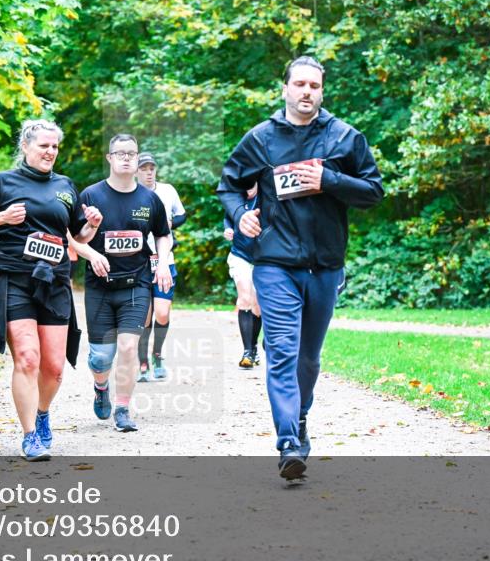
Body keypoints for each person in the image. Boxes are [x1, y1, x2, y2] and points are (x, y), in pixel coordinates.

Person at [217, 56, 383, 479]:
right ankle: (288, 440)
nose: (307, 91)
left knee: (308, 358)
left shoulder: (345, 137)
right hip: (275, 265)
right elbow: (229, 184)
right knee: (283, 354)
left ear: (321, 91)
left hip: (326, 265)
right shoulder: (261, 138)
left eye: (314, 85)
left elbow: (374, 191)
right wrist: (240, 216)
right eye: (300, 84)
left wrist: (328, 181)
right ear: (286, 89)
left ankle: (300, 416)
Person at [0, 119, 103, 461]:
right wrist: (1, 218)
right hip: (13, 278)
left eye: (55, 147)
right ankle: (29, 437)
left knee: (53, 367)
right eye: (43, 146)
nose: (50, 152)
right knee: (27, 357)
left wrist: (91, 228)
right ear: (26, 147)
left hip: (53, 281)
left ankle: (42, 413)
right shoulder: (3, 183)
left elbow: (76, 238)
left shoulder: (66, 186)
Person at [69, 135, 173, 432]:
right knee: (101, 357)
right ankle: (101, 387)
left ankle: (123, 408)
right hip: (100, 287)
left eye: (132, 154)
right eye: (120, 153)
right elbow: (75, 240)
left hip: (136, 283)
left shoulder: (149, 199)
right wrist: (91, 240)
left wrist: (162, 262)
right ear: (110, 158)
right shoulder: (90, 195)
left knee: (128, 347)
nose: (127, 158)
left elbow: (163, 234)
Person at [135, 152, 187, 382]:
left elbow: (182, 215)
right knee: (144, 318)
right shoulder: (131, 193)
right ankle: (143, 362)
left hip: (165, 260)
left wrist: (170, 224)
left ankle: (157, 355)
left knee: (163, 313)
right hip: (139, 262)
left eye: (151, 168)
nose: (148, 172)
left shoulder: (167, 190)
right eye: (144, 168)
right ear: (136, 171)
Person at [223, 183, 261, 369]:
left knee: (258, 305)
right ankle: (247, 352)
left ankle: (253, 347)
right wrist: (228, 230)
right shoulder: (235, 201)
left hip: (263, 258)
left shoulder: (266, 199)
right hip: (240, 256)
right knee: (244, 299)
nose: (248, 186)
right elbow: (228, 221)